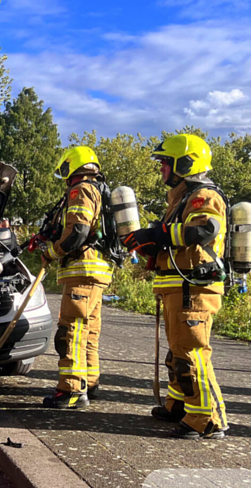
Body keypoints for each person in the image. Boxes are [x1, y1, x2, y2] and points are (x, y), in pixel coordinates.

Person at [122, 134, 229, 440]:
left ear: (184, 163)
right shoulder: (181, 199)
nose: (161, 170)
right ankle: (180, 405)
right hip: (177, 288)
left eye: (165, 163)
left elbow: (203, 231)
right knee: (178, 354)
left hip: (193, 289)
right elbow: (173, 242)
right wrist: (149, 245)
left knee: (192, 354)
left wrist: (157, 235)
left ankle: (207, 419)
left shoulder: (203, 196)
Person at [39, 146, 113, 409]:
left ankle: (71, 390)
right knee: (89, 331)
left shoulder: (80, 190)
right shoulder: (99, 190)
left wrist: (52, 251)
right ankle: (89, 382)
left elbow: (78, 232)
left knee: (71, 331)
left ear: (72, 167)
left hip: (82, 269)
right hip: (98, 270)